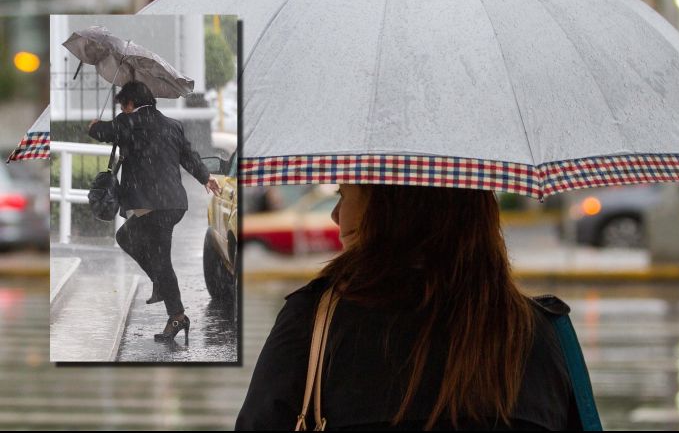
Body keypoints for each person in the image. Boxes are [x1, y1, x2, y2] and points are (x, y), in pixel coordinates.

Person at [235, 184, 584, 430]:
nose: (336, 214)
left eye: (343, 194)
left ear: (389, 208)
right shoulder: (540, 334)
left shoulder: (314, 324)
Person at [87, 81, 222, 344]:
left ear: (130, 103)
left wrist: (93, 126)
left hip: (152, 205)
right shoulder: (173, 125)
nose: (122, 110)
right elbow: (189, 157)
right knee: (149, 251)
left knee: (136, 245)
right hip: (173, 204)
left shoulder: (129, 122)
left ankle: (171, 304)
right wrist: (206, 177)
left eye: (123, 105)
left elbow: (103, 132)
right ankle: (172, 307)